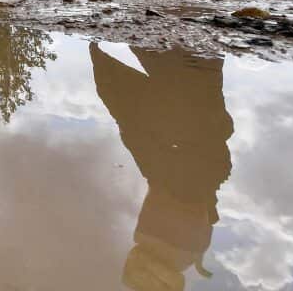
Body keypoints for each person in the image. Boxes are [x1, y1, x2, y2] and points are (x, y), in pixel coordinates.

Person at [91, 44, 233, 290]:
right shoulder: (165, 163)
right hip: (182, 61)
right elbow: (117, 95)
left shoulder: (200, 169)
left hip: (194, 69)